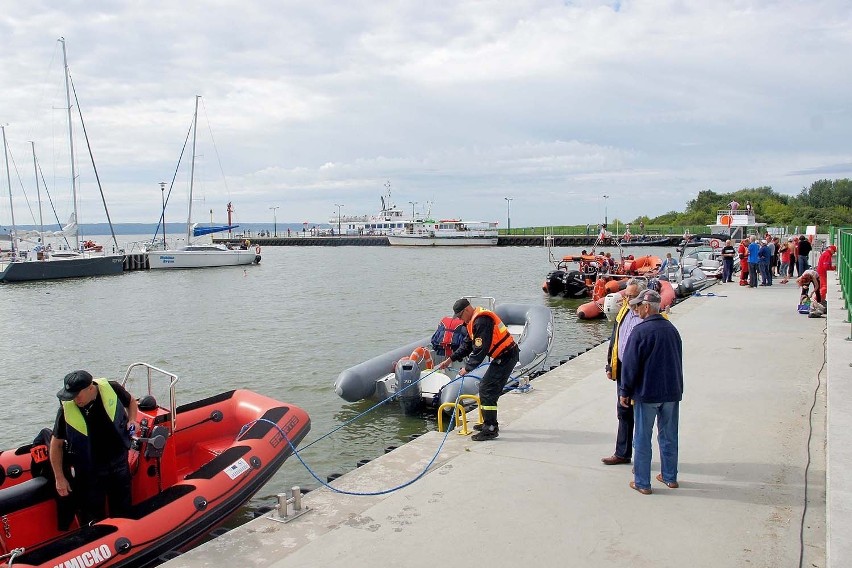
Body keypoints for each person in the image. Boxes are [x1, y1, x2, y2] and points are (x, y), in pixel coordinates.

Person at [50, 370, 138, 525]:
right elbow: (56, 445)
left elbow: (131, 402)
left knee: (123, 509)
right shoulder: (66, 410)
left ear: (90, 388)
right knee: (91, 515)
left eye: (77, 395)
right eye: (70, 396)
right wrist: (59, 478)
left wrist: (132, 420)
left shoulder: (112, 388)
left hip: (118, 462)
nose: (74, 400)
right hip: (89, 471)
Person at [619, 290, 684, 495]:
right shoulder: (672, 329)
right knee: (669, 435)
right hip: (671, 392)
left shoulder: (640, 332)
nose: (635, 309)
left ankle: (642, 482)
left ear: (647, 307)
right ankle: (670, 476)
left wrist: (625, 391)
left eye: (638, 306)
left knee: (642, 438)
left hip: (647, 393)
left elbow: (630, 366)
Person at [437, 299, 519, 441]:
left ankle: (491, 428)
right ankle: (488, 423)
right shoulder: (473, 321)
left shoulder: (482, 321)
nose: (460, 319)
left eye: (460, 316)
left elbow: (481, 349)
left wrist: (467, 368)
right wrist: (450, 359)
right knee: (486, 388)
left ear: (467, 310)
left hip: (507, 356)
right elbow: (467, 345)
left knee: (487, 389)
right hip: (501, 356)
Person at [601, 278, 647, 466]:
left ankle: (642, 458)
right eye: (626, 295)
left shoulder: (646, 316)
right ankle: (622, 453)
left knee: (643, 416)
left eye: (632, 296)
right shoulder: (624, 311)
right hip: (623, 370)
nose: (628, 299)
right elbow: (615, 338)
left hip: (641, 373)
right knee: (624, 411)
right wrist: (609, 365)